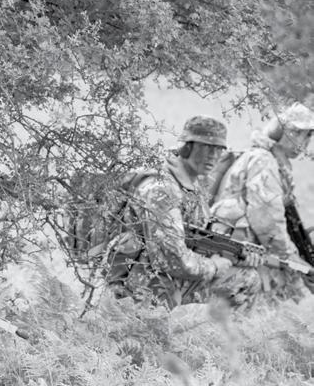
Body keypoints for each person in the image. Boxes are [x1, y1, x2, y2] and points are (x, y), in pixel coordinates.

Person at [104, 115, 255, 308]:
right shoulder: (162, 188)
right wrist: (215, 266)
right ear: (186, 147)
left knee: (245, 274)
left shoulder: (192, 183)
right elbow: (173, 259)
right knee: (245, 279)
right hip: (139, 283)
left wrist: (235, 255)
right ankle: (155, 318)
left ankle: (200, 324)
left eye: (218, 149)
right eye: (206, 147)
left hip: (159, 274)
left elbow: (193, 236)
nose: (213, 156)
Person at [209, 102, 314, 299]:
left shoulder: (269, 160)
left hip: (245, 252)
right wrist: (294, 260)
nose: (306, 141)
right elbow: (267, 222)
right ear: (285, 132)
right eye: (301, 133)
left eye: (309, 135)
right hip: (240, 254)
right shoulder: (264, 161)